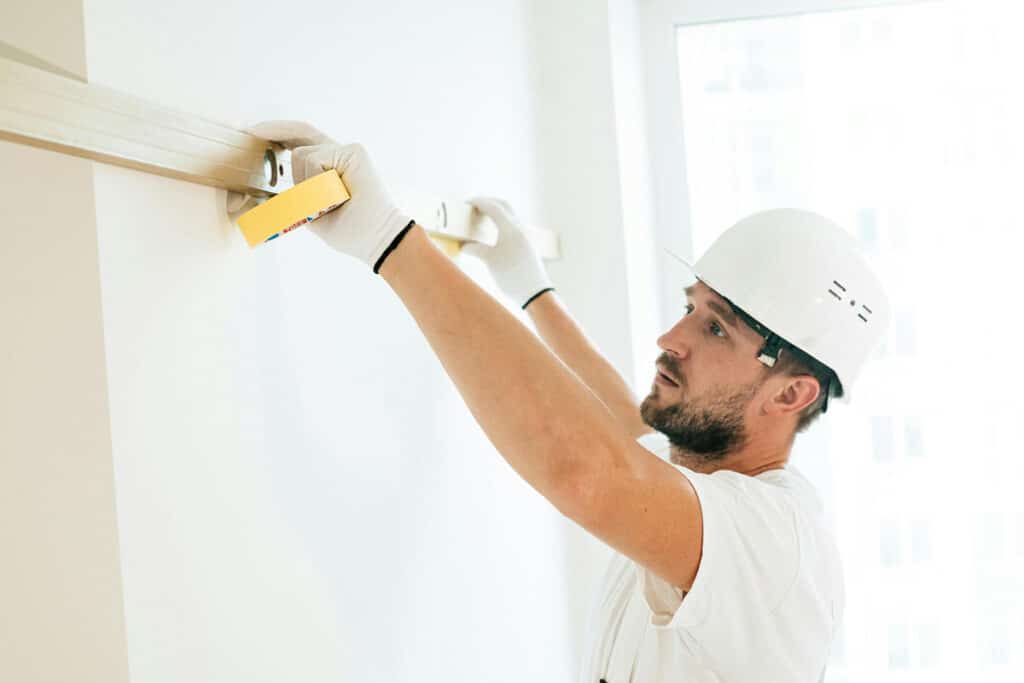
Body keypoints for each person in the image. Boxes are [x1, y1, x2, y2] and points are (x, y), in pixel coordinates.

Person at [243, 121, 890, 682]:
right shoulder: (696, 482)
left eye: (715, 327)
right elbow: (617, 423)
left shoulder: (778, 544)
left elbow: (592, 469)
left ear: (793, 391)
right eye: (688, 308)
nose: (670, 338)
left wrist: (391, 239)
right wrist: (532, 291)